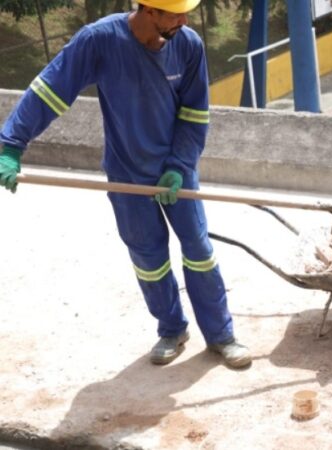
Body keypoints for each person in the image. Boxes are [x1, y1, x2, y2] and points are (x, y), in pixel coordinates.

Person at [0, 0, 251, 369]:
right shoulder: (99, 40)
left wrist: (179, 165)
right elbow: (50, 89)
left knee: (198, 248)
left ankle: (221, 335)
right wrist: (11, 144)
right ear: (149, 10)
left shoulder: (188, 45)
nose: (185, 19)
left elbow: (195, 114)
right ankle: (171, 329)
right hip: (126, 172)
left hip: (176, 171)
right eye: (175, 13)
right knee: (148, 257)